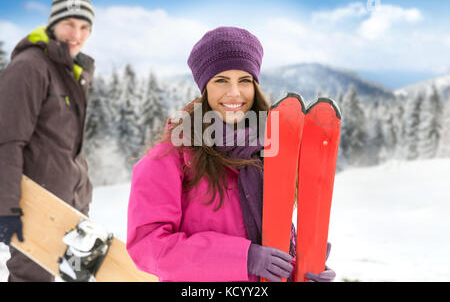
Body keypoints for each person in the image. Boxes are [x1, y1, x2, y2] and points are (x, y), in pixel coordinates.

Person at [127, 26, 336, 282]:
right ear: (205, 88)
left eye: (244, 80)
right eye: (221, 80)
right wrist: (244, 258)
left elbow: (273, 237)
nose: (234, 93)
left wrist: (300, 267)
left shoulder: (271, 150)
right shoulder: (170, 157)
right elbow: (148, 246)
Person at [0, 0, 95, 282]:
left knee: (74, 276)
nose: (76, 34)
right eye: (69, 24)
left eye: (84, 27)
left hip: (71, 202)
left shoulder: (72, 71)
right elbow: (7, 140)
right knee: (32, 278)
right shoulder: (29, 67)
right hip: (35, 203)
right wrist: (7, 208)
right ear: (53, 25)